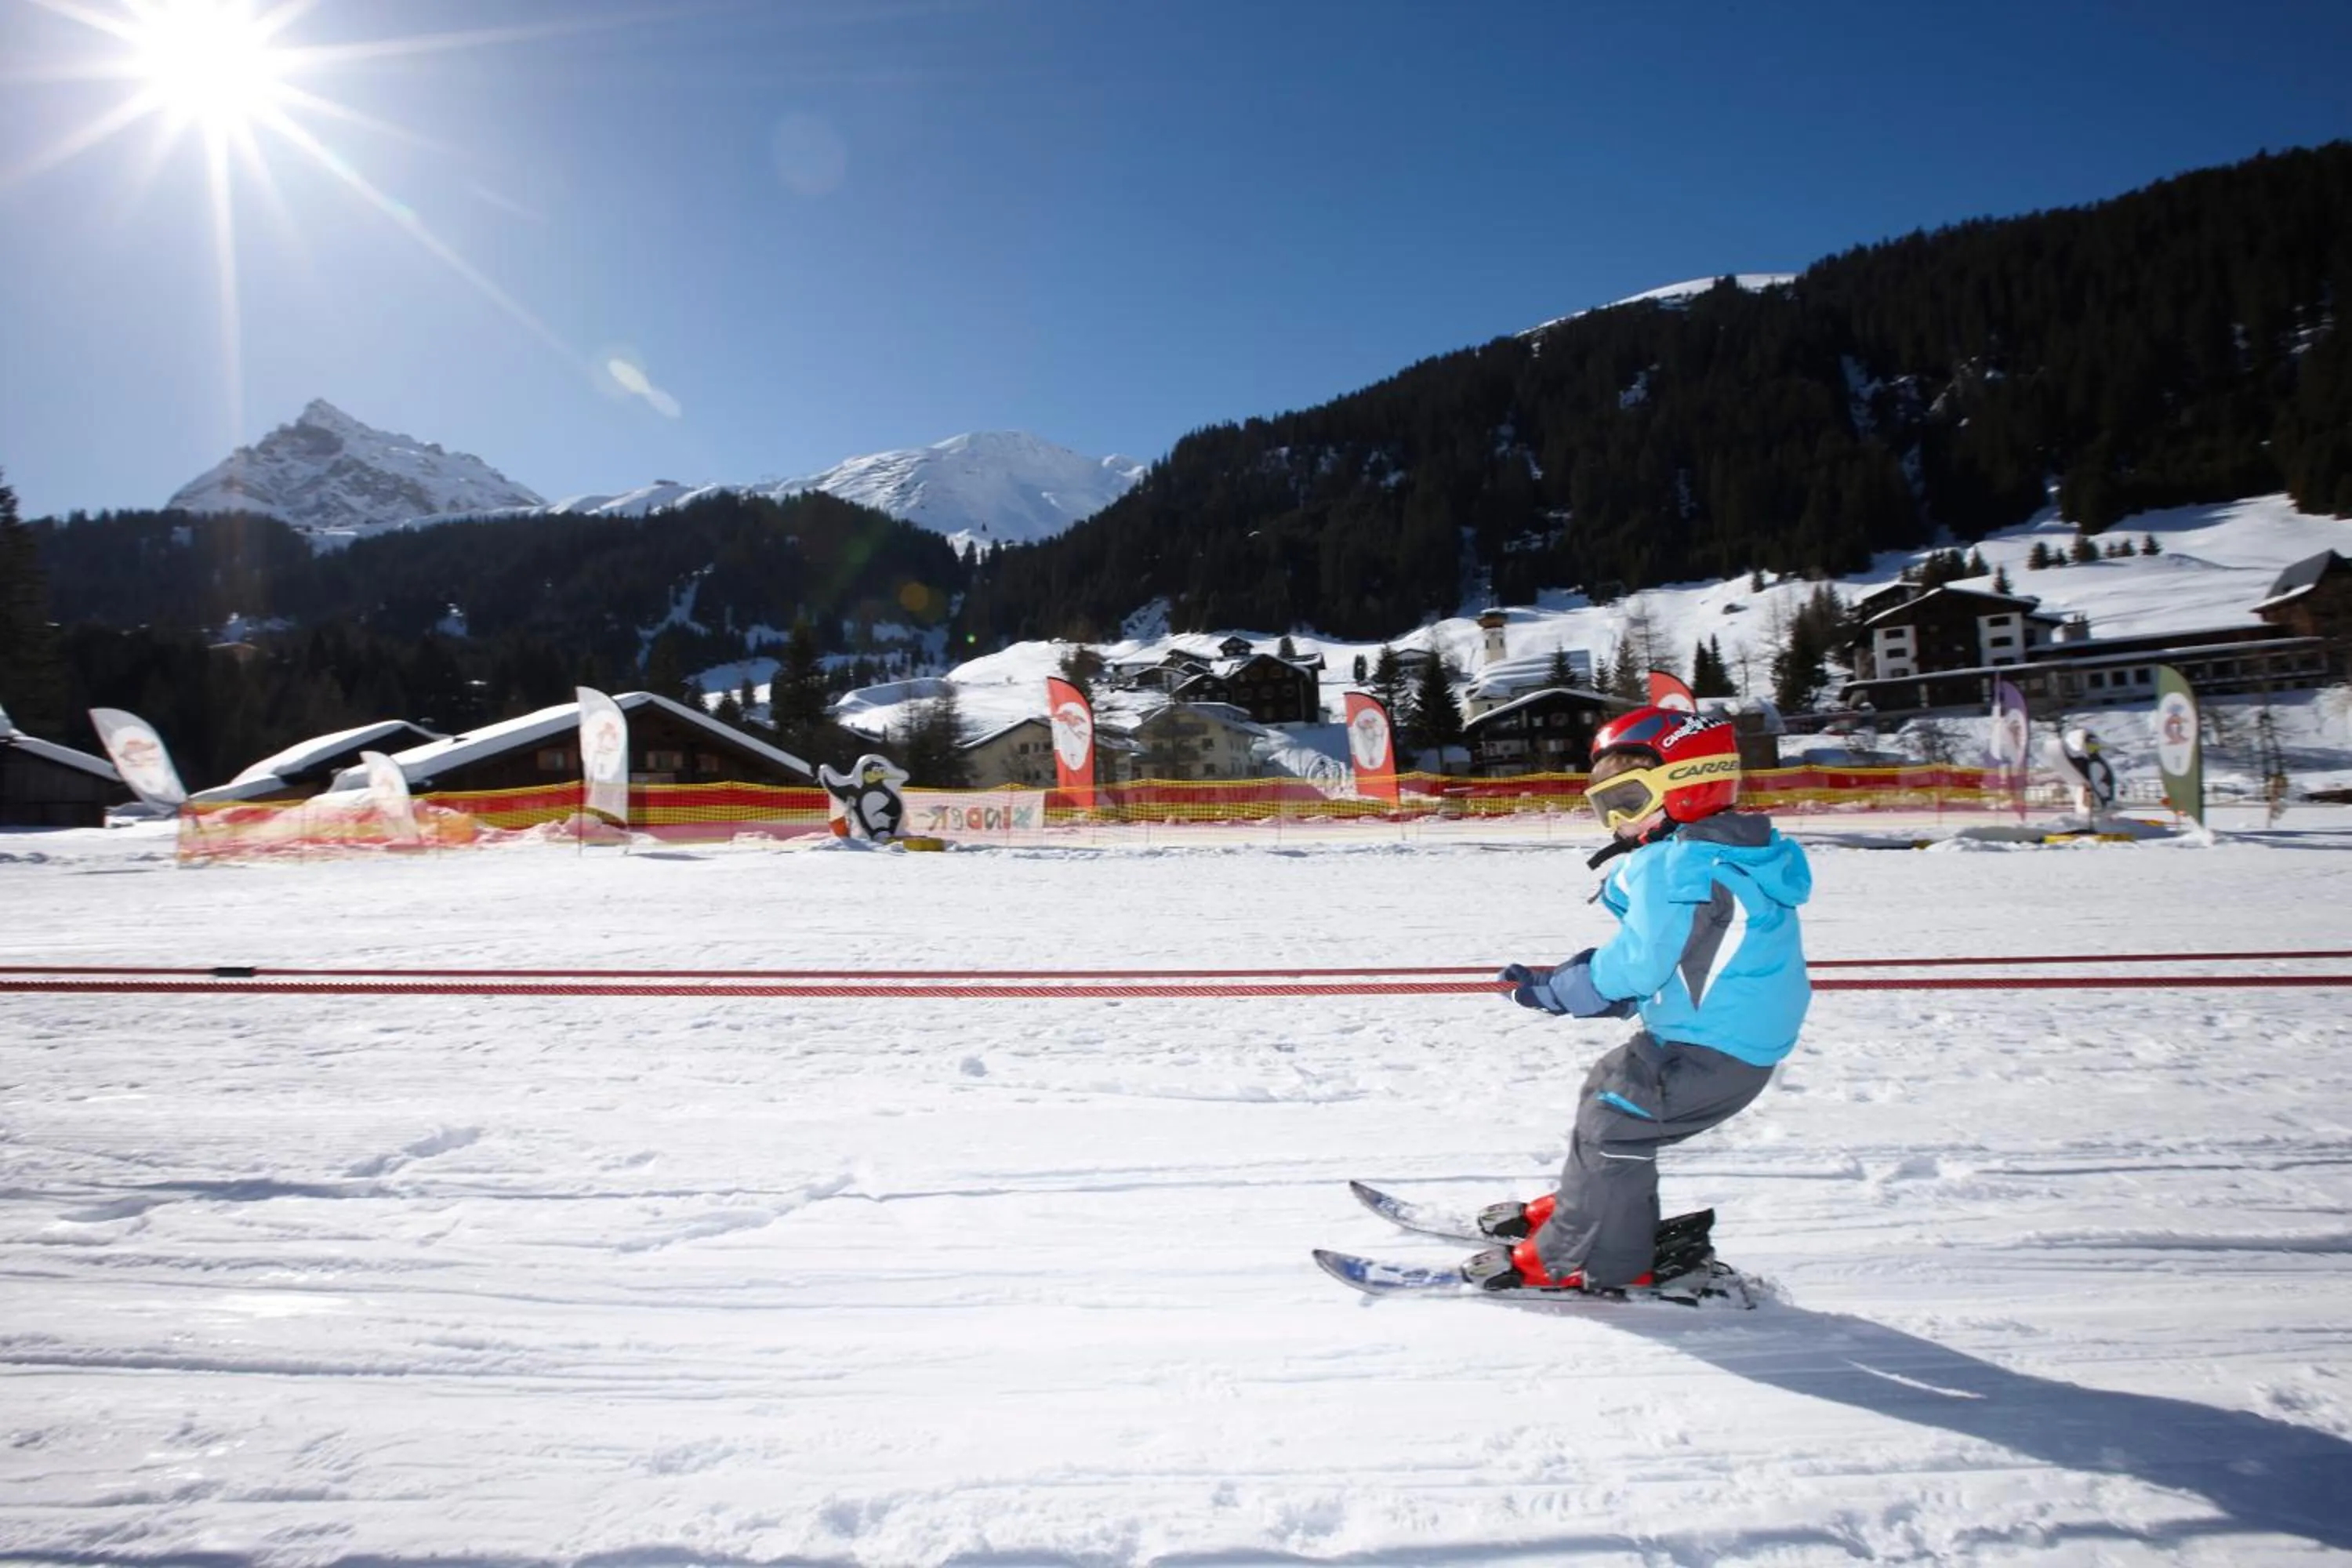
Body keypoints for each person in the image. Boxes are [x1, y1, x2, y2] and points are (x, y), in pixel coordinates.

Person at [1471, 706, 1813, 1294]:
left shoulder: (1673, 863)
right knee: (1608, 1094)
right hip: (1724, 1038)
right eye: (1606, 806)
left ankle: (1580, 1258)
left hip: (1714, 1051)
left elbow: (1640, 962)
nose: (1618, 824)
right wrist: (1588, 986)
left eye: (1629, 800)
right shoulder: (1727, 852)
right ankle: (1586, 1203)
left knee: (1615, 1125)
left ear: (1686, 787)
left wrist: (1559, 988)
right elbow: (1684, 955)